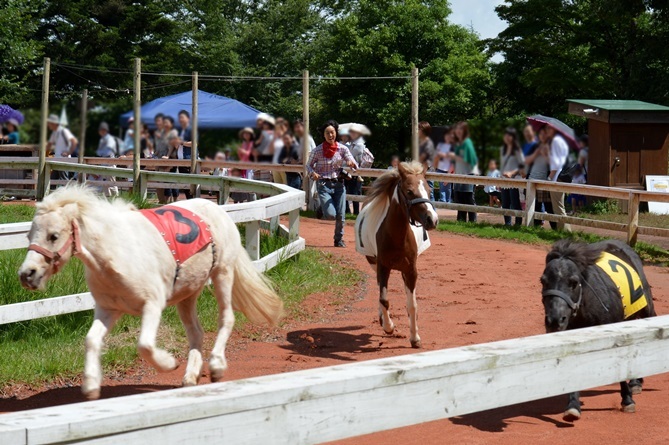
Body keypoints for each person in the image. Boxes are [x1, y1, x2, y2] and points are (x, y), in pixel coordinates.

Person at [306, 119, 358, 247]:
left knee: (341, 215)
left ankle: (338, 239)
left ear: (336, 133)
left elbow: (352, 161)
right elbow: (308, 166)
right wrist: (313, 173)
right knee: (331, 215)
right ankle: (323, 209)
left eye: (332, 132)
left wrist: (352, 164)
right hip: (324, 185)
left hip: (339, 184)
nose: (330, 135)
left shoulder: (342, 149)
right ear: (323, 135)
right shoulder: (317, 151)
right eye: (327, 133)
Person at [525, 127, 555, 229]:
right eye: (540, 134)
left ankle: (555, 228)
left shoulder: (551, 147)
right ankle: (535, 227)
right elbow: (527, 161)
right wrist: (536, 153)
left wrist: (545, 154)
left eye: (544, 134)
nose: (542, 136)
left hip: (543, 181)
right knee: (534, 206)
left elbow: (554, 165)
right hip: (532, 179)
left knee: (548, 206)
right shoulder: (536, 146)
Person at [448, 121, 478, 222]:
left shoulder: (467, 143)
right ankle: (460, 221)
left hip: (468, 174)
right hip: (458, 175)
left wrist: (455, 157)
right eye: (457, 129)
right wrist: (448, 175)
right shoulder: (458, 144)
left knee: (468, 199)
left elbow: (471, 160)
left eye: (461, 129)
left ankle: (472, 222)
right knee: (459, 199)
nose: (458, 131)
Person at [546, 125, 572, 232]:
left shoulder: (556, 141)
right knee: (560, 207)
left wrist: (549, 178)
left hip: (557, 178)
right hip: (561, 177)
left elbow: (556, 164)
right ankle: (565, 231)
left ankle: (565, 232)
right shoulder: (562, 141)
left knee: (558, 208)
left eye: (548, 129)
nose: (546, 131)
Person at [500, 127, 525, 226]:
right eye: (505, 135)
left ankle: (518, 225)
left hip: (514, 180)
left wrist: (511, 173)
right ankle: (507, 224)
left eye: (509, 135)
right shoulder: (503, 149)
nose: (507, 137)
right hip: (504, 180)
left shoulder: (517, 150)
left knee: (515, 203)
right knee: (505, 204)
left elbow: (521, 166)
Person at [46, 114, 78, 180]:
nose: (48, 124)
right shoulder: (55, 132)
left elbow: (74, 141)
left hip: (63, 159)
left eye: (49, 123)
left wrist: (68, 153)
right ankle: (52, 190)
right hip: (56, 159)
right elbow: (49, 144)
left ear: (53, 123)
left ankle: (66, 190)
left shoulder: (64, 131)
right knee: (52, 180)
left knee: (63, 180)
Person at [345, 124, 369, 215]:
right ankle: (348, 211)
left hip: (356, 174)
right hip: (351, 172)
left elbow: (348, 156)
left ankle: (356, 213)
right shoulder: (351, 144)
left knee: (355, 193)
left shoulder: (359, 145)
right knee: (349, 192)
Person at [96, 122, 118, 196]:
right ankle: (108, 198)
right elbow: (99, 152)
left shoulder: (110, 139)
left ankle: (116, 197)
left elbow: (107, 151)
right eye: (101, 130)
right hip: (103, 163)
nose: (102, 132)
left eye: (103, 130)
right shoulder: (102, 140)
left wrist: (101, 152)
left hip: (110, 163)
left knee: (112, 183)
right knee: (104, 183)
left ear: (106, 131)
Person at [161, 116, 180, 201]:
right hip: (166, 160)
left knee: (173, 180)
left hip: (173, 159)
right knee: (167, 180)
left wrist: (168, 155)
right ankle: (167, 202)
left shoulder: (174, 132)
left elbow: (173, 146)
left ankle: (174, 201)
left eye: (166, 122)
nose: (165, 124)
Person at [176, 110, 193, 199]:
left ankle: (192, 202)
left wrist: (182, 142)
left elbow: (195, 143)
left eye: (182, 117)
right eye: (179, 118)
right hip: (181, 161)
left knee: (190, 184)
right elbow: (177, 145)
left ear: (188, 118)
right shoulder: (179, 131)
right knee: (185, 185)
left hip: (189, 160)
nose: (180, 119)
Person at [434, 126, 454, 203]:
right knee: (441, 186)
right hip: (440, 168)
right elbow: (436, 155)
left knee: (448, 187)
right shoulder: (440, 145)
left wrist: (444, 155)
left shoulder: (453, 146)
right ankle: (443, 201)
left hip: (448, 169)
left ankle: (448, 201)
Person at [418, 121, 435, 200]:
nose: (416, 131)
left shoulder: (428, 143)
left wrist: (422, 175)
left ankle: (432, 212)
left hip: (427, 172)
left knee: (429, 193)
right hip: (421, 172)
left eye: (418, 129)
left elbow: (426, 162)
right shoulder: (421, 143)